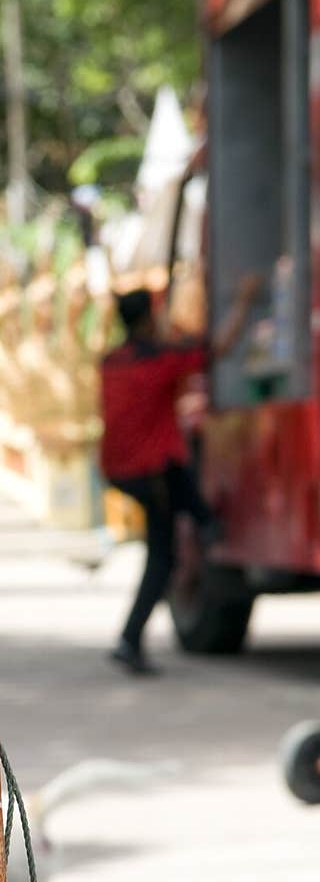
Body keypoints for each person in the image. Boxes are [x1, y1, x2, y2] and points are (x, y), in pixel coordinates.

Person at [100, 275, 261, 674]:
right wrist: (244, 300)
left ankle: (205, 521)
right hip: (150, 470)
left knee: (175, 497)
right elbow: (217, 348)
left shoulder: (113, 362)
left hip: (122, 468)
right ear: (147, 320)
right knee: (162, 557)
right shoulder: (159, 361)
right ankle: (130, 639)